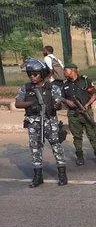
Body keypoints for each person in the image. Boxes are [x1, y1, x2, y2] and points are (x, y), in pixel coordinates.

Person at [14, 58, 68, 188]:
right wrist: (32, 104)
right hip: (34, 123)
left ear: (42, 74)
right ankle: (38, 176)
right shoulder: (26, 88)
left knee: (56, 147)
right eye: (30, 75)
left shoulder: (52, 88)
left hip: (50, 121)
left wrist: (57, 104)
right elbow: (17, 103)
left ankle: (62, 174)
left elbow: (58, 105)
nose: (32, 77)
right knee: (35, 149)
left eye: (35, 74)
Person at [60, 63, 96, 166]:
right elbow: (60, 97)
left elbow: (94, 94)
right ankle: (80, 157)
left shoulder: (85, 81)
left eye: (65, 70)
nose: (64, 72)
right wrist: (67, 101)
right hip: (73, 113)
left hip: (85, 111)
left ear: (73, 70)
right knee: (77, 136)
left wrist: (87, 104)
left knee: (92, 135)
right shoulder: (65, 84)